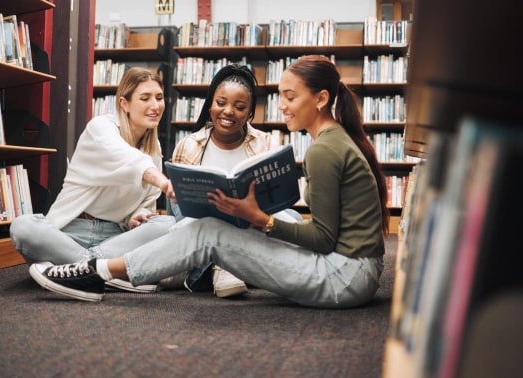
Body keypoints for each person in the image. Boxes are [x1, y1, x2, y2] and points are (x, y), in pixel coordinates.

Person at [29, 54, 389, 309]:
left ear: (322, 99)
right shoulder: (336, 139)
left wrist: (257, 219)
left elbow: (323, 239)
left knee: (211, 232)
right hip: (353, 271)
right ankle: (101, 270)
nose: (281, 106)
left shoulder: (324, 150)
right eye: (280, 96)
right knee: (206, 229)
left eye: (290, 96)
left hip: (344, 279)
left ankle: (95, 272)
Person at [10, 67, 176, 293]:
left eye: (158, 98)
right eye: (145, 98)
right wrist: (163, 181)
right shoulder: (101, 127)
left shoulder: (153, 149)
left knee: (169, 225)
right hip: (70, 232)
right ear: (124, 104)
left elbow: (141, 207)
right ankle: (103, 271)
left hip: (114, 238)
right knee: (23, 227)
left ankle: (79, 271)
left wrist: (135, 217)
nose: (155, 106)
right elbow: (126, 158)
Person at [162, 63, 301, 298]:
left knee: (294, 220)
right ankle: (227, 266)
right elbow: (179, 209)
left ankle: (200, 269)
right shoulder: (189, 144)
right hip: (201, 224)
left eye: (239, 107)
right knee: (188, 219)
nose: (228, 111)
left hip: (250, 224)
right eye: (220, 103)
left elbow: (277, 201)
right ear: (210, 105)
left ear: (249, 113)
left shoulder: (265, 144)